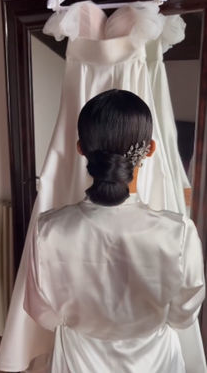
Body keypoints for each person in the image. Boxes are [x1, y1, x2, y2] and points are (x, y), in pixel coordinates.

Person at [24, 89, 205, 373]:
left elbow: (42, 313)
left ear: (80, 147)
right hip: (154, 361)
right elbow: (184, 315)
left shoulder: (48, 229)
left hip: (76, 360)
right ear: (150, 149)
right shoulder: (178, 233)